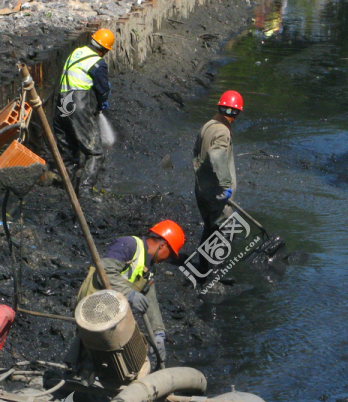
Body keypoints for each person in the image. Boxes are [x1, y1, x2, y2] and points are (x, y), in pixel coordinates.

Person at [72, 220, 185, 365]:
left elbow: (150, 299)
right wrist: (129, 294)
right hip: (93, 306)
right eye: (169, 255)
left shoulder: (149, 266)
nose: (166, 259)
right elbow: (104, 271)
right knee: (87, 353)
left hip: (112, 312)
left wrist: (159, 333)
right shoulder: (129, 245)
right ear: (163, 245)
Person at [53, 28, 114, 197]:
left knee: (68, 151)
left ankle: (68, 191)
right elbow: (102, 89)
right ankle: (85, 193)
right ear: (105, 49)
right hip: (77, 107)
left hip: (62, 105)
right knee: (95, 153)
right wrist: (102, 104)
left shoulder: (77, 52)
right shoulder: (97, 62)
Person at [192, 90, 243, 273]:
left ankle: (203, 267)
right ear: (237, 113)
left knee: (210, 227)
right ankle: (217, 272)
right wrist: (226, 185)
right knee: (228, 227)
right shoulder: (223, 131)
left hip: (202, 188)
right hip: (216, 191)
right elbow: (216, 154)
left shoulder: (208, 126)